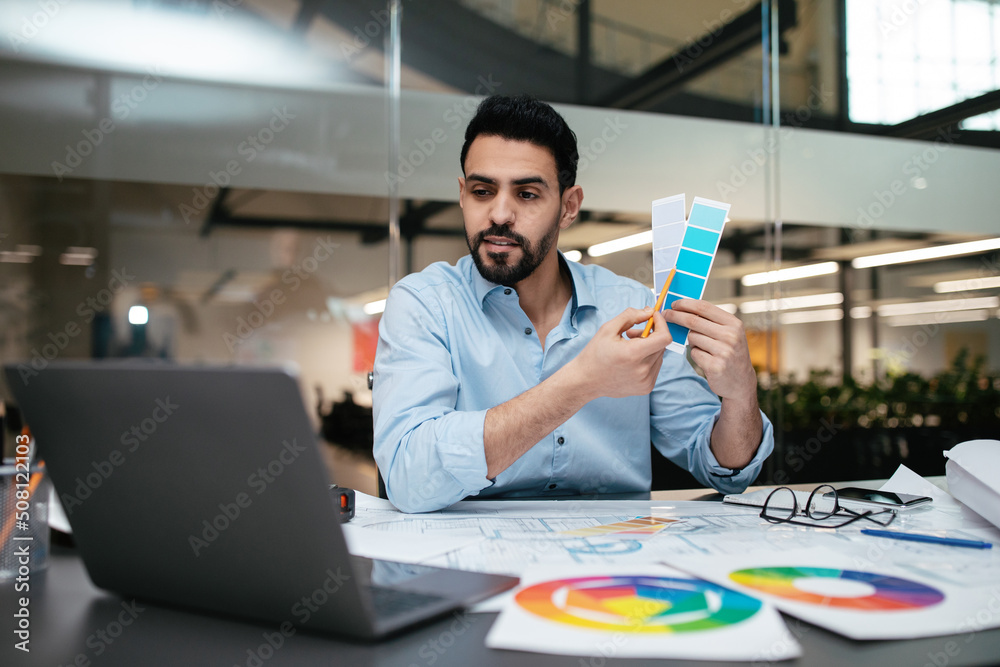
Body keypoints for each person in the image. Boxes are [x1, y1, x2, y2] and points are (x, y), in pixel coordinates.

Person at [373, 94, 773, 513]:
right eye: (482, 191)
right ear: (462, 194)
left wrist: (741, 393)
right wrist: (583, 380)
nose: (499, 213)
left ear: (568, 207)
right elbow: (408, 476)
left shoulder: (634, 307)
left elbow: (724, 467)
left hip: (615, 556)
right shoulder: (423, 304)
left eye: (527, 194)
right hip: (474, 563)